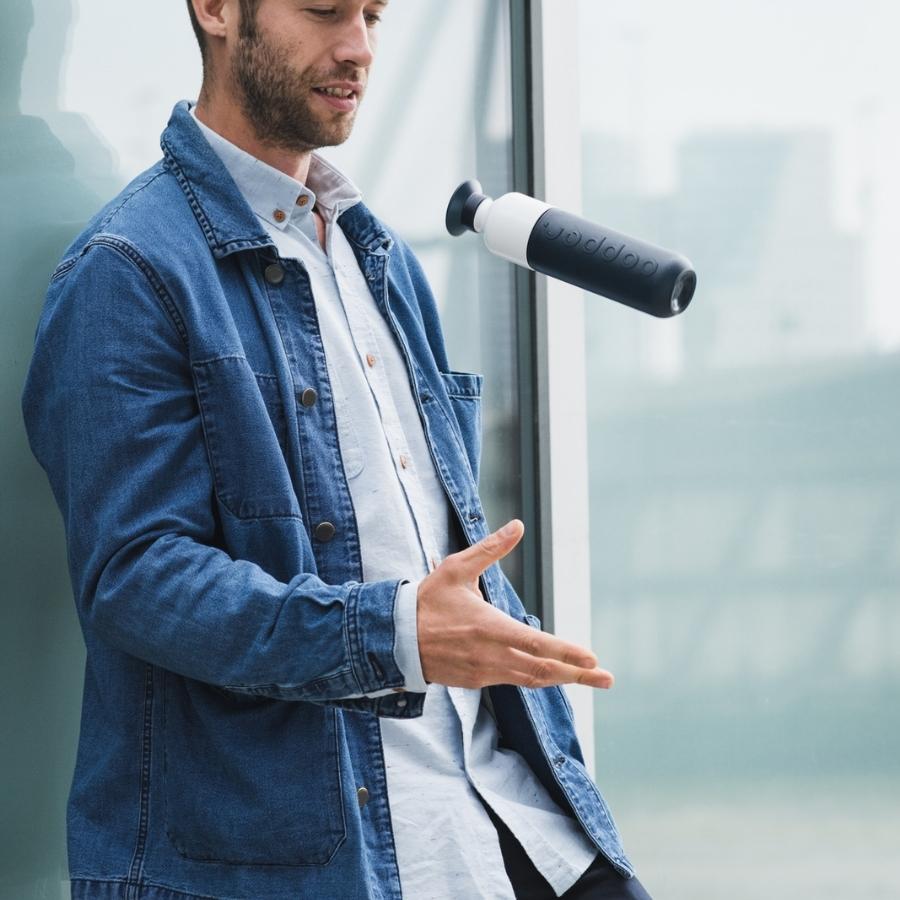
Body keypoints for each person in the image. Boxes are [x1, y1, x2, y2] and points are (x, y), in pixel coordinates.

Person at [21, 1, 652, 897]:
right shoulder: (127, 271)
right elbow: (138, 579)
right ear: (214, 10)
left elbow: (435, 546)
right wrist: (393, 635)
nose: (357, 47)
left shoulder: (380, 257)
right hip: (313, 867)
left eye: (372, 13)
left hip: (508, 839)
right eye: (322, 9)